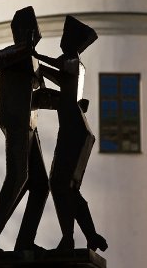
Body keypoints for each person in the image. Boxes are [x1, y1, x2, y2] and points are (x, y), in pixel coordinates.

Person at [33, 16, 108, 252]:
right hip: (77, 130)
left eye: (66, 37)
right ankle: (89, 236)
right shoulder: (75, 64)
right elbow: (58, 76)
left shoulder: (71, 61)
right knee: (67, 186)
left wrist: (34, 59)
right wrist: (39, 63)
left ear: (71, 41)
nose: (62, 41)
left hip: (73, 131)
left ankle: (69, 239)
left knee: (59, 184)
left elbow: (57, 71)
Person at [0, 7, 49, 252]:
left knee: (41, 184)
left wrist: (69, 102)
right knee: (18, 176)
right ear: (24, 32)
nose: (36, 37)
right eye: (32, 32)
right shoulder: (17, 54)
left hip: (31, 124)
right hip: (16, 121)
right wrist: (21, 49)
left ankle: (24, 241)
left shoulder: (33, 59)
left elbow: (40, 96)